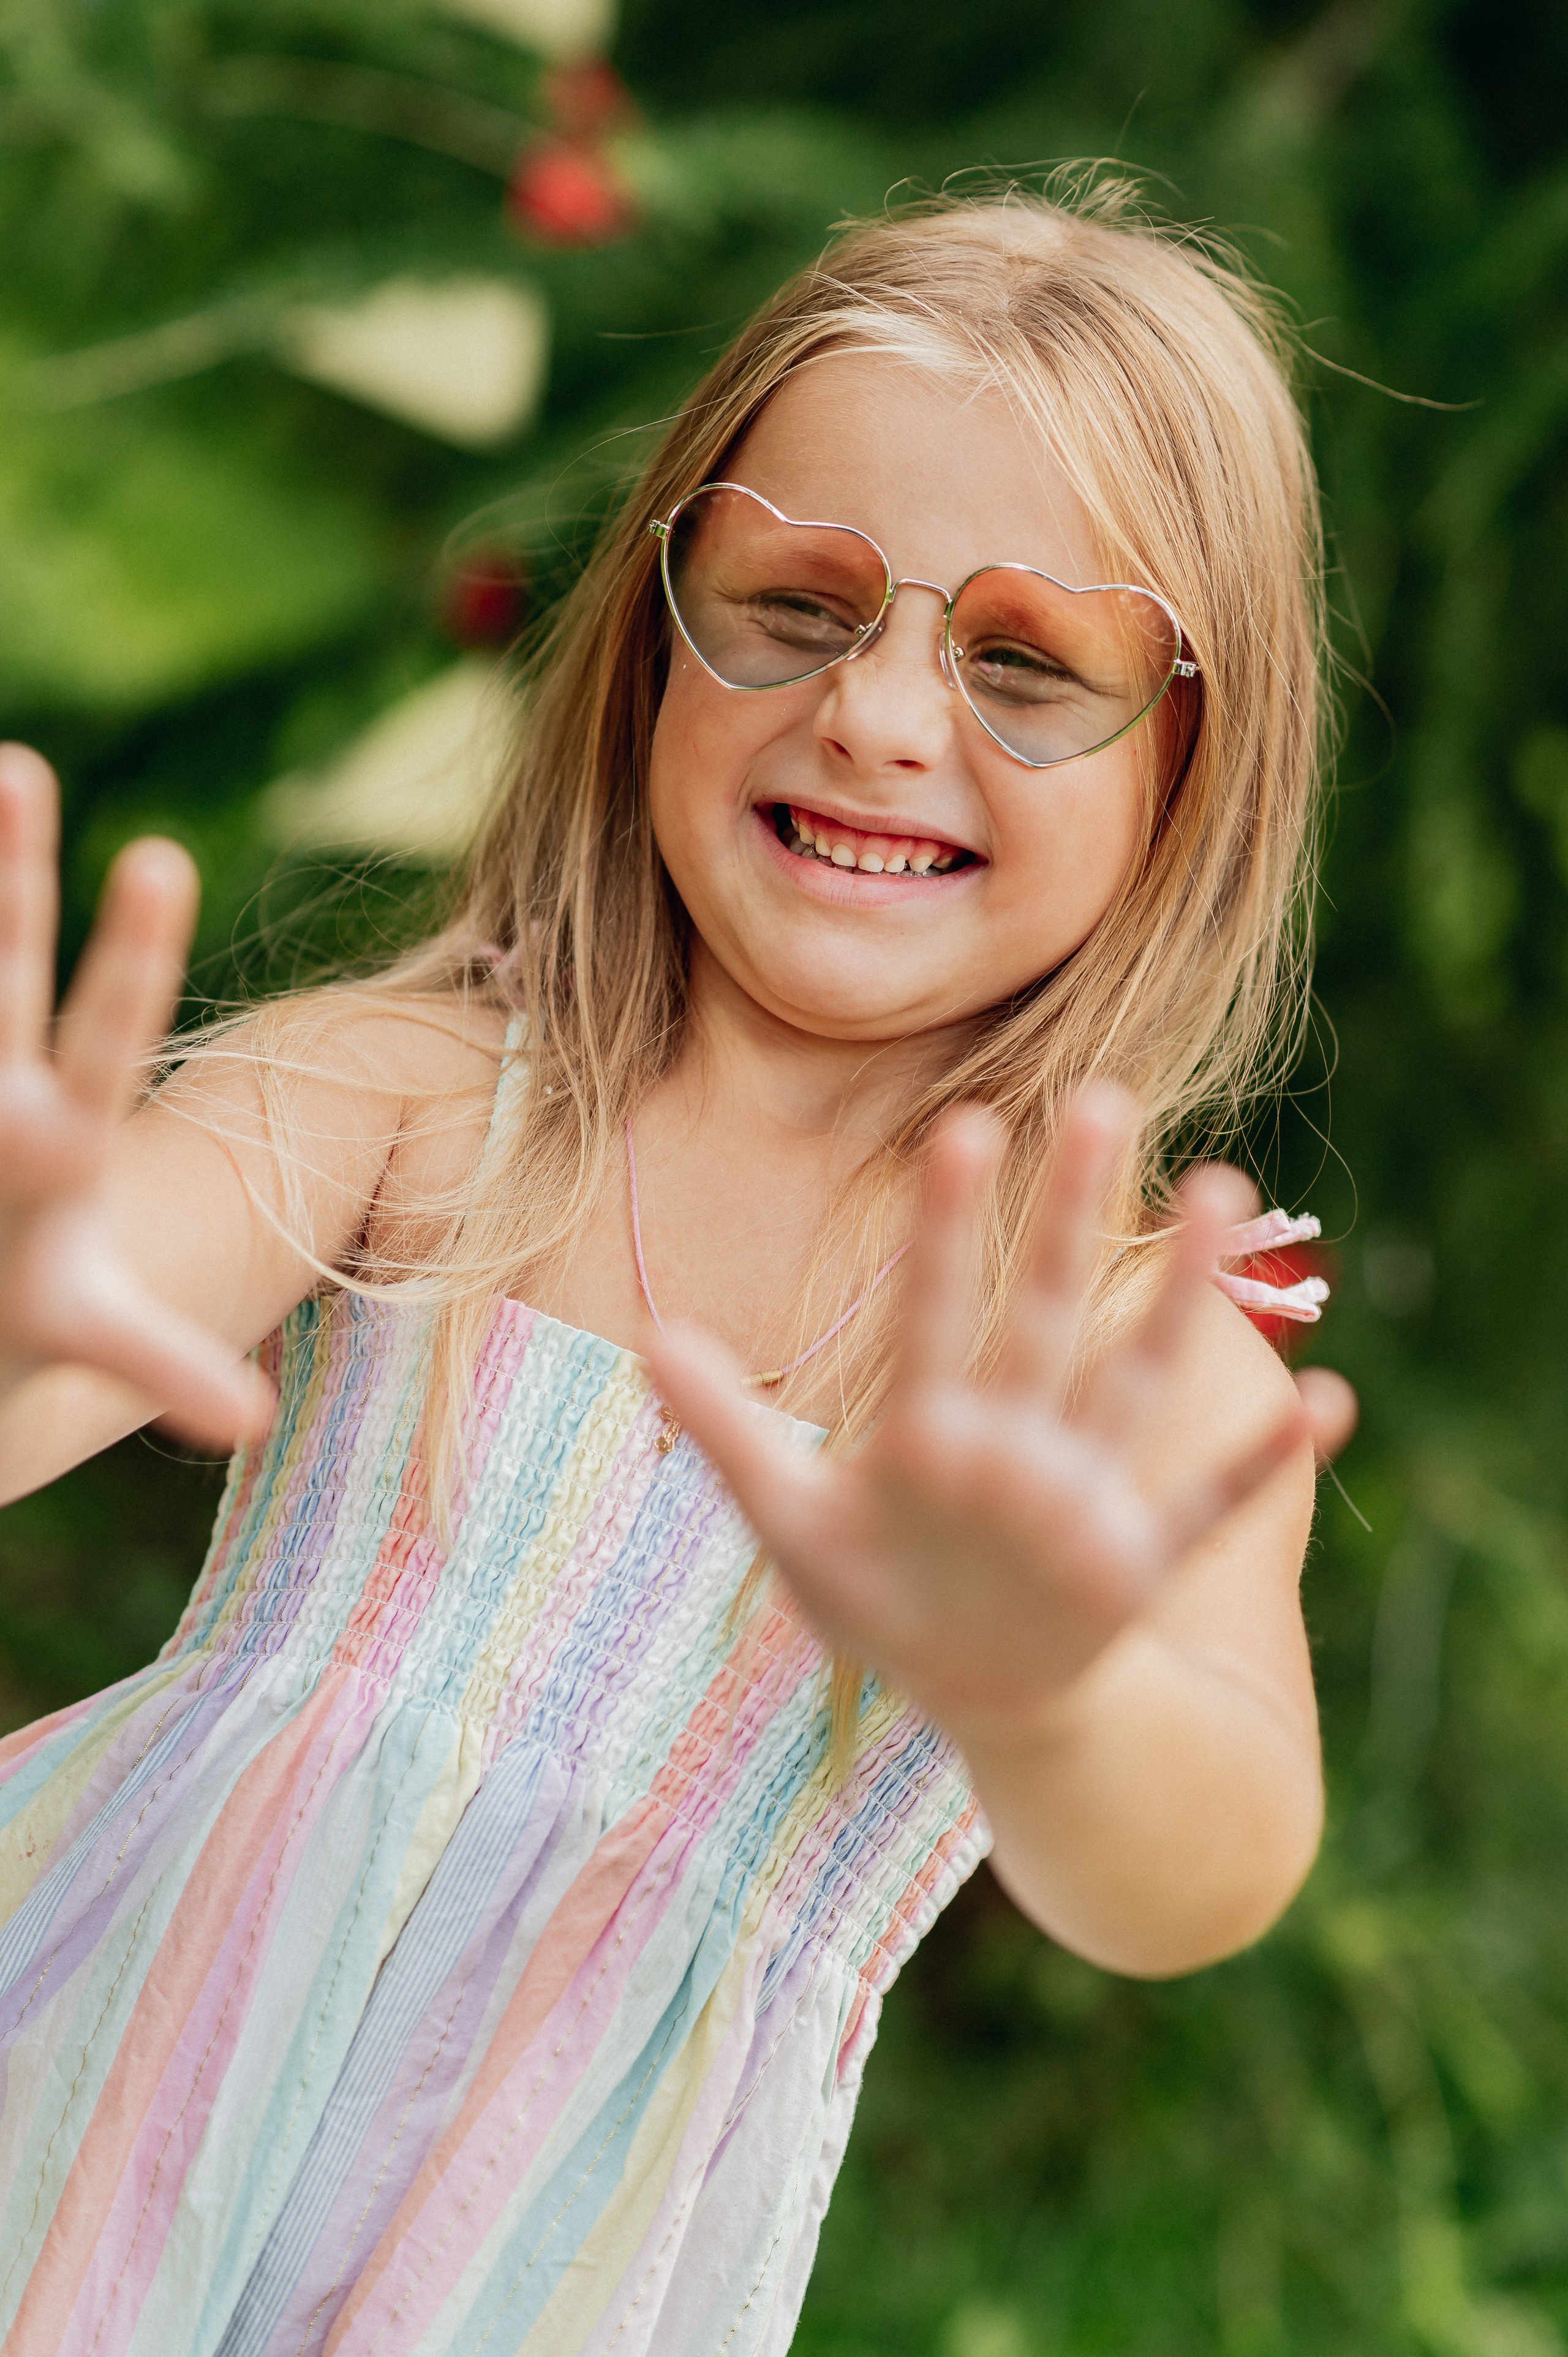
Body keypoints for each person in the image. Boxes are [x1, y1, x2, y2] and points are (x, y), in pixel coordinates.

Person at [0, 182, 1356, 2357]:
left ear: (1195, 767)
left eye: (1025, 663)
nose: (880, 715)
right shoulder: (416, 1094)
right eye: (794, 606)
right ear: (656, 631)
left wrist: (1053, 1693)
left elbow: (1208, 1858)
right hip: (68, 2159)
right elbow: (72, 1333)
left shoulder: (1126, 1353)